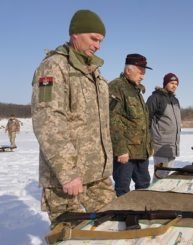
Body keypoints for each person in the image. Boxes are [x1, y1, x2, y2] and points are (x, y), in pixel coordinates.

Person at [31, 9, 115, 226]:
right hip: (66, 179)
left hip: (97, 174)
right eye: (94, 38)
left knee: (113, 226)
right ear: (75, 34)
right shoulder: (54, 66)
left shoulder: (93, 72)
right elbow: (48, 120)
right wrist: (67, 172)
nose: (98, 45)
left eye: (101, 41)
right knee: (71, 235)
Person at [109, 53, 153, 196]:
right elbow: (112, 119)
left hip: (141, 151)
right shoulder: (116, 87)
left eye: (144, 72)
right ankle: (123, 216)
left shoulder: (136, 90)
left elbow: (140, 121)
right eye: (140, 72)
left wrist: (149, 146)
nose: (143, 76)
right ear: (128, 70)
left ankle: (141, 215)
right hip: (125, 152)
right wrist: (121, 149)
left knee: (144, 185)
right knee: (122, 188)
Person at [146, 73, 182, 182]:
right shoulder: (155, 98)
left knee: (168, 173)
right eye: (171, 83)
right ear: (165, 83)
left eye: (176, 84)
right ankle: (155, 195)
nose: (174, 85)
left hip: (172, 145)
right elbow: (146, 119)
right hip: (160, 144)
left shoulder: (175, 101)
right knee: (160, 174)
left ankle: (163, 196)